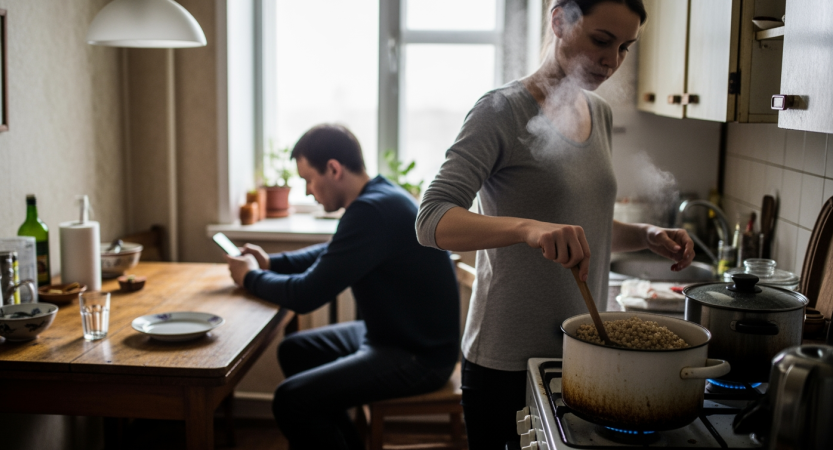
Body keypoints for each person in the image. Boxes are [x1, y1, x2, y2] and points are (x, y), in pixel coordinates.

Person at [415, 1, 695, 448]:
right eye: (602, 40)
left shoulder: (599, 113)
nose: (612, 61)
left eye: (625, 47)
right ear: (559, 20)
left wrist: (645, 236)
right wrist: (528, 228)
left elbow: (585, 227)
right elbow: (431, 220)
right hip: (504, 359)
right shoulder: (500, 111)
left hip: (580, 354)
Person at [226, 124, 460, 450]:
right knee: (294, 350)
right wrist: (269, 263)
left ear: (334, 169)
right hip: (389, 337)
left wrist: (249, 277)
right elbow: (332, 253)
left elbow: (306, 295)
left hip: (418, 357)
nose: (307, 191)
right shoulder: (379, 197)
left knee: (290, 400)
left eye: (308, 179)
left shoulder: (371, 211)